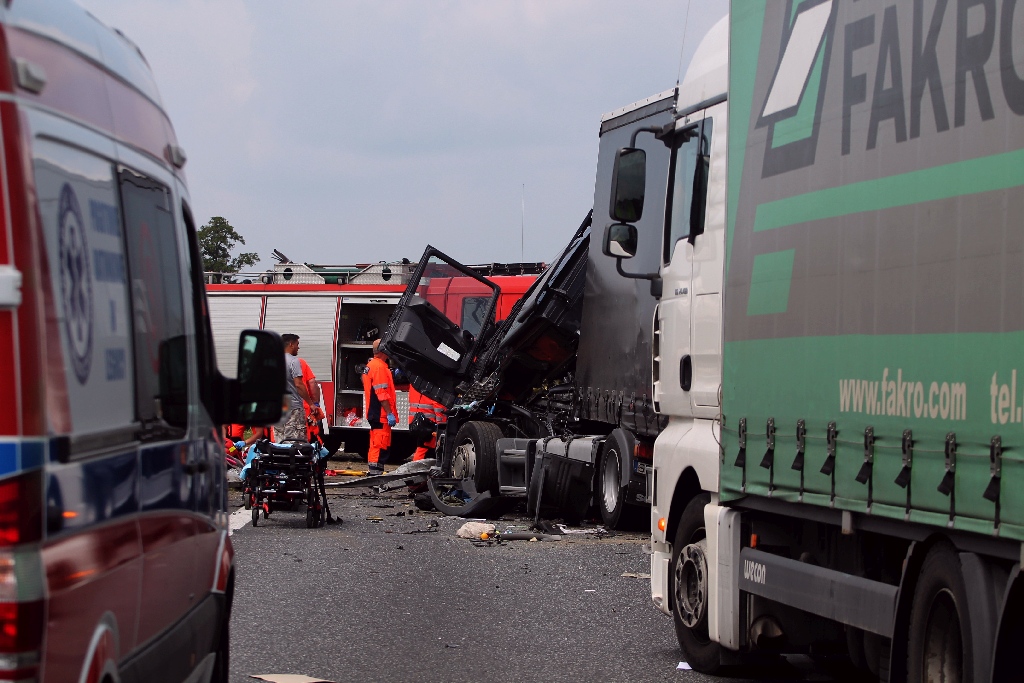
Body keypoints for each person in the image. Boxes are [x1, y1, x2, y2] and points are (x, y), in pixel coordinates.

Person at [362, 338, 397, 475]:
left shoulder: (372, 365)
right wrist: (389, 413)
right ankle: (375, 474)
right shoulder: (379, 367)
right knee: (380, 444)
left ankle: (374, 472)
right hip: (380, 414)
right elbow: (381, 393)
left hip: (375, 413)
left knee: (376, 443)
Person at [280, 333, 316, 441]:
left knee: (280, 441)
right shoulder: (294, 361)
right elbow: (299, 384)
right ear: (291, 344)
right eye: (297, 344)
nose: (298, 347)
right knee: (295, 442)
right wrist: (311, 403)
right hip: (293, 407)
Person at [408, 385, 445, 461]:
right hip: (429, 423)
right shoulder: (434, 384)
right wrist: (442, 425)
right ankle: (417, 467)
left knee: (421, 447)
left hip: (416, 421)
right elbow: (438, 406)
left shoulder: (415, 383)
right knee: (424, 449)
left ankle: (416, 466)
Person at [298, 357, 326, 441]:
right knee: (305, 438)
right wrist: (315, 404)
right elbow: (312, 383)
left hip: (282, 409)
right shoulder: (300, 363)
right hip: (303, 409)